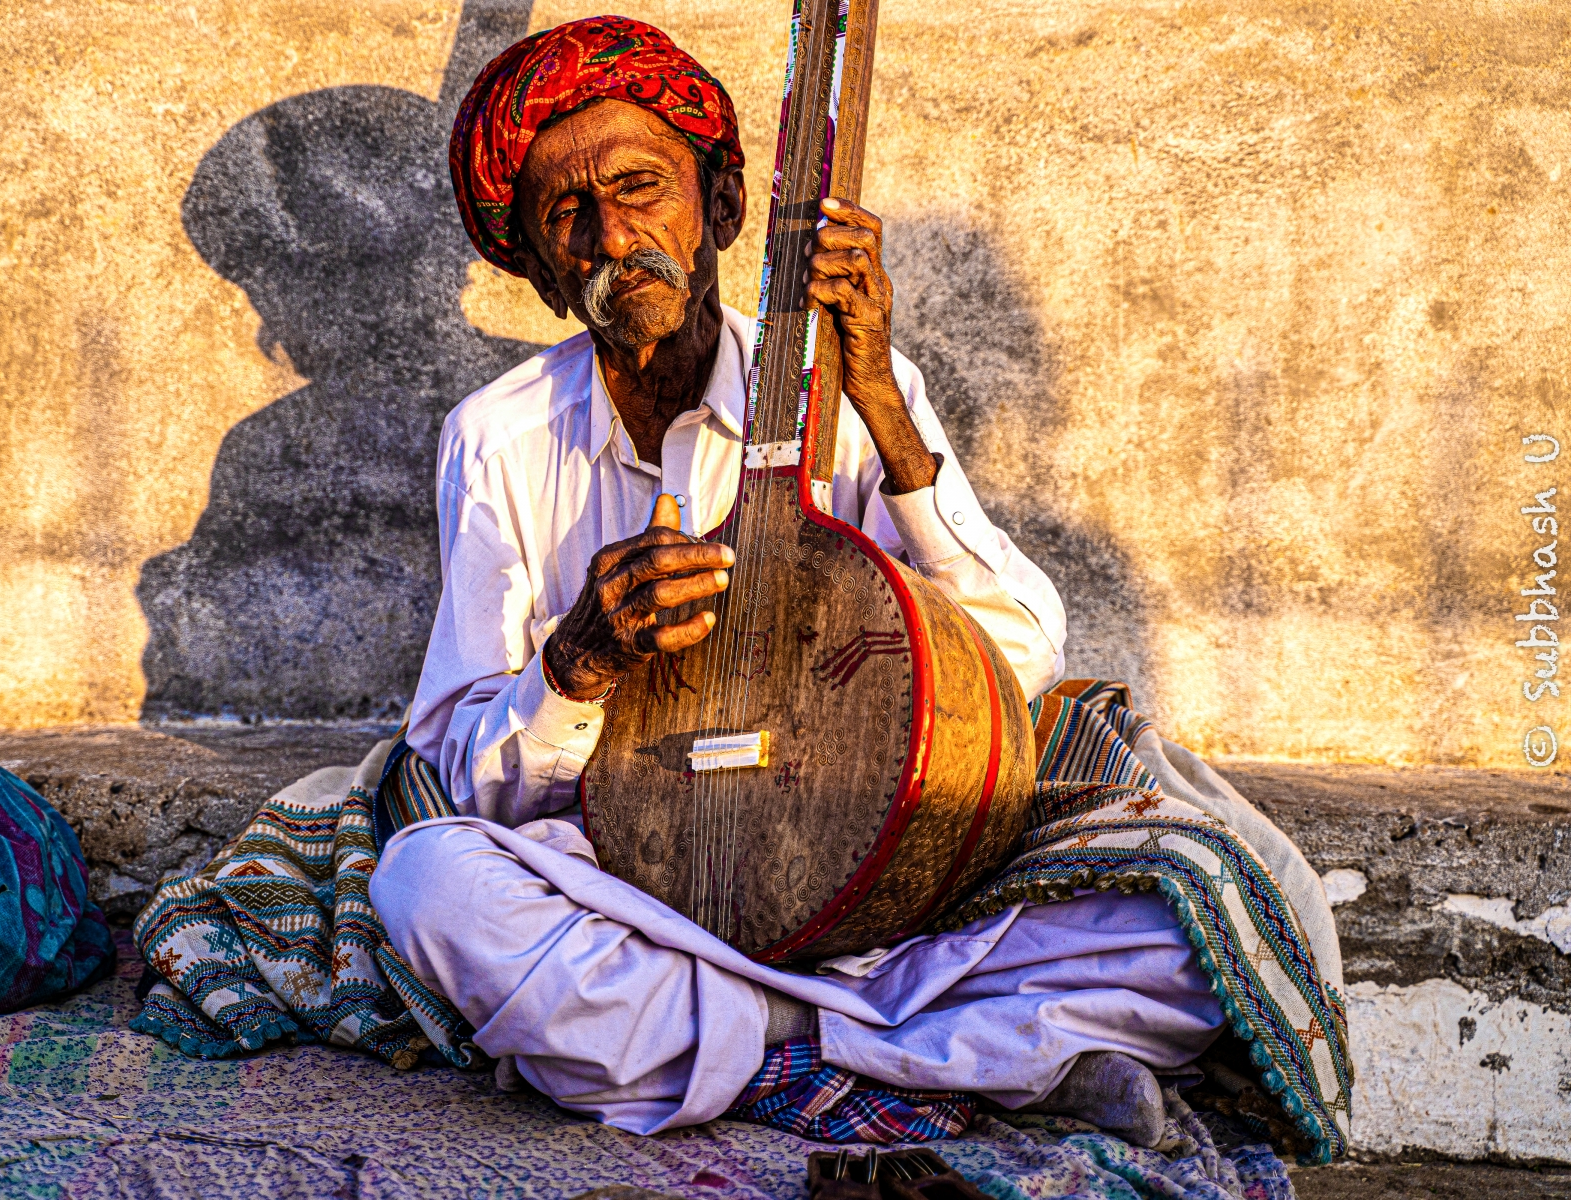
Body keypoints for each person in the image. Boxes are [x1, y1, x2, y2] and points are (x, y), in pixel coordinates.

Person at [365, 16, 1309, 1148]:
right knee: (430, 885)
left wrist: (884, 406)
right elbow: (467, 767)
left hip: (876, 870)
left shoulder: (853, 384)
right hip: (634, 878)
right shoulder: (498, 439)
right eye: (565, 214)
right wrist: (578, 663)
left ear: (720, 210)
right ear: (532, 261)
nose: (613, 237)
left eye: (640, 189)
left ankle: (746, 1048)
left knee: (1200, 907)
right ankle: (908, 1059)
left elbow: (1015, 659)